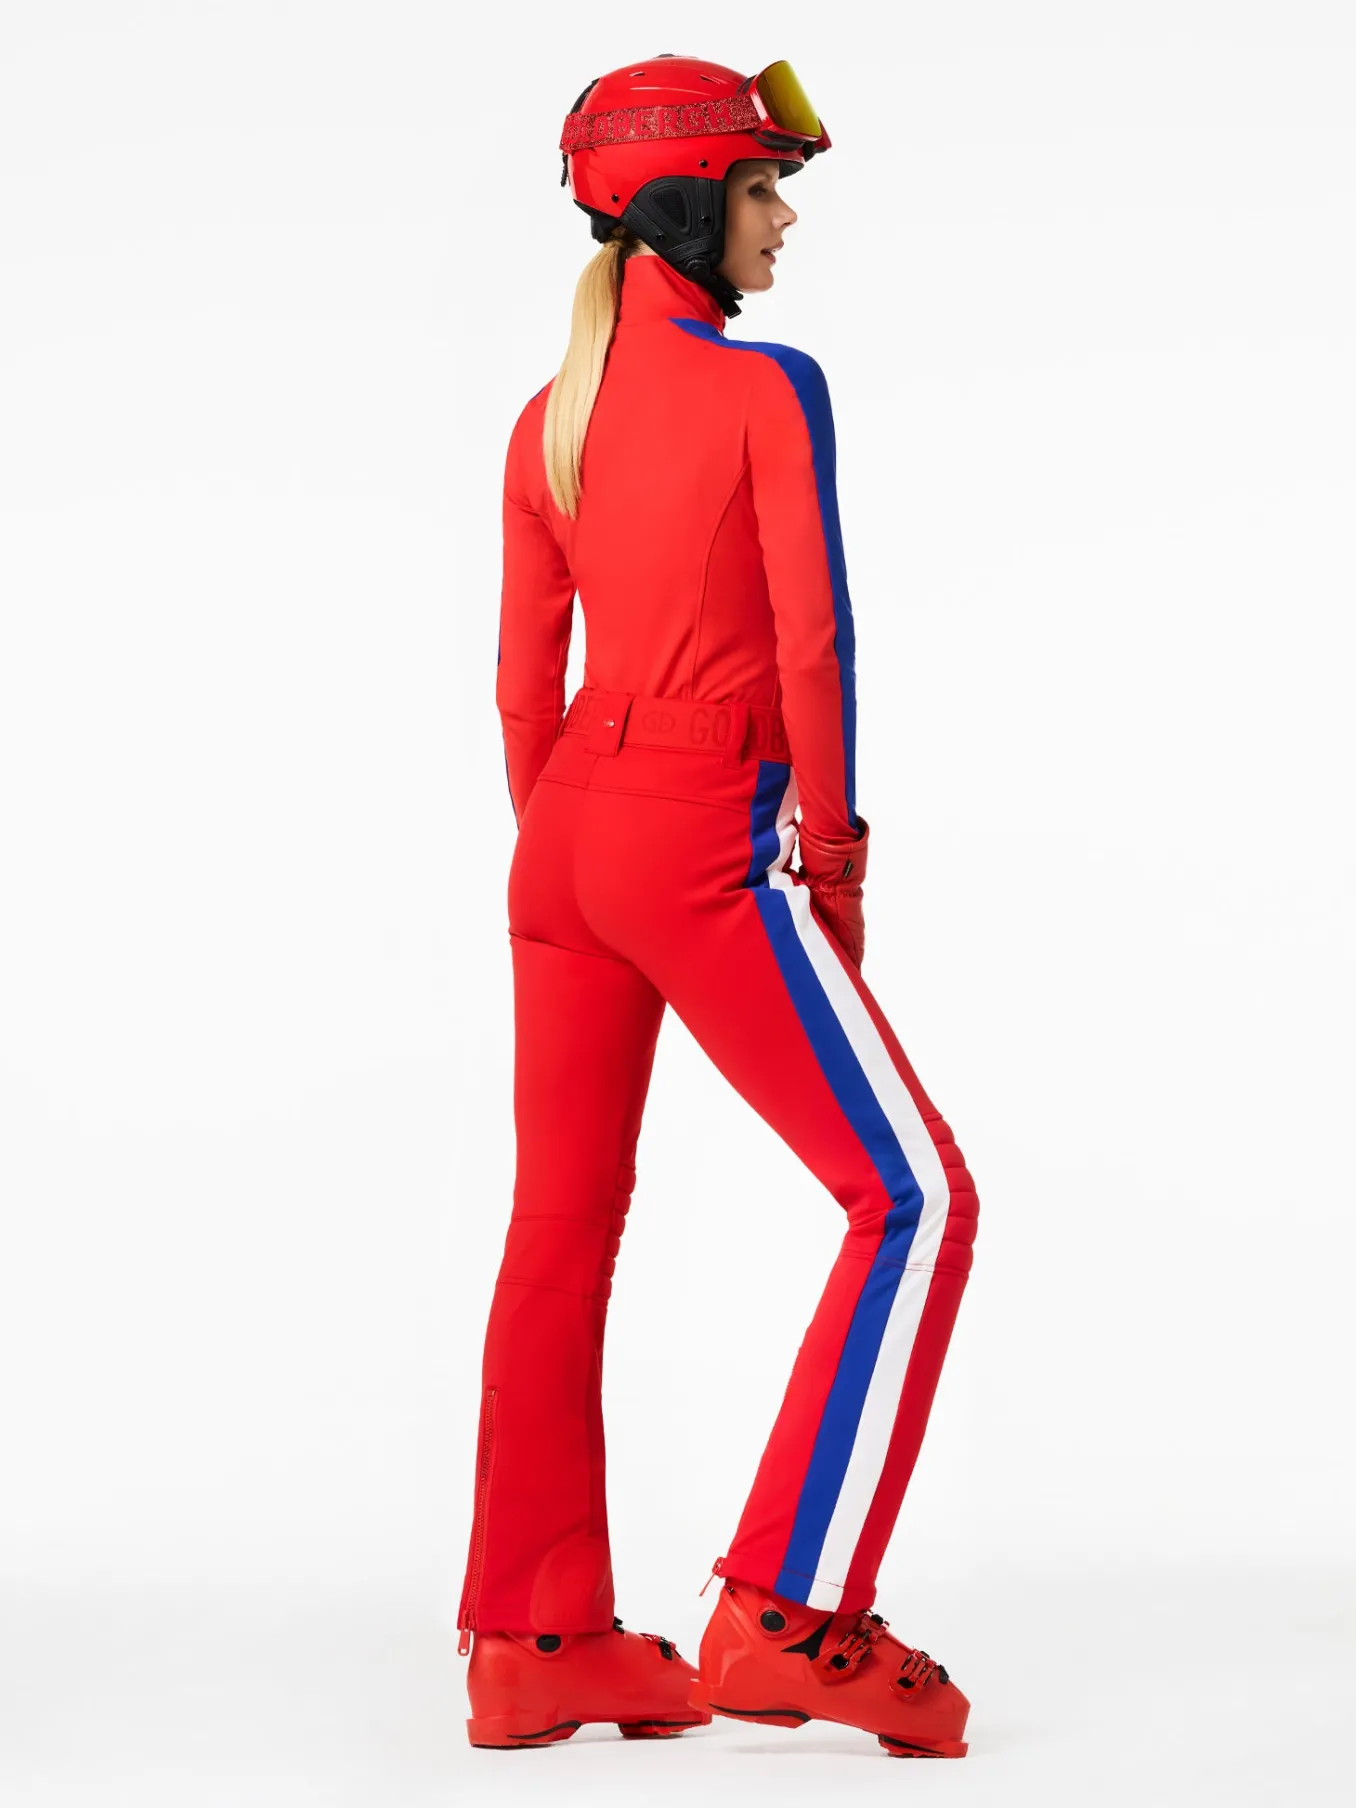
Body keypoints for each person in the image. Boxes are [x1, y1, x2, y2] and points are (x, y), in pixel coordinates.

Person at [455, 54, 980, 1759]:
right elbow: (815, 639)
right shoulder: (768, 387)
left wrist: (578, 853)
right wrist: (831, 860)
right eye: (762, 187)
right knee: (915, 1198)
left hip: (565, 836)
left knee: (558, 1233)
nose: (784, 219)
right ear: (686, 205)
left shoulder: (546, 419)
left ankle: (533, 1641)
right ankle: (790, 1611)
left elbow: (522, 687)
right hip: (699, 823)